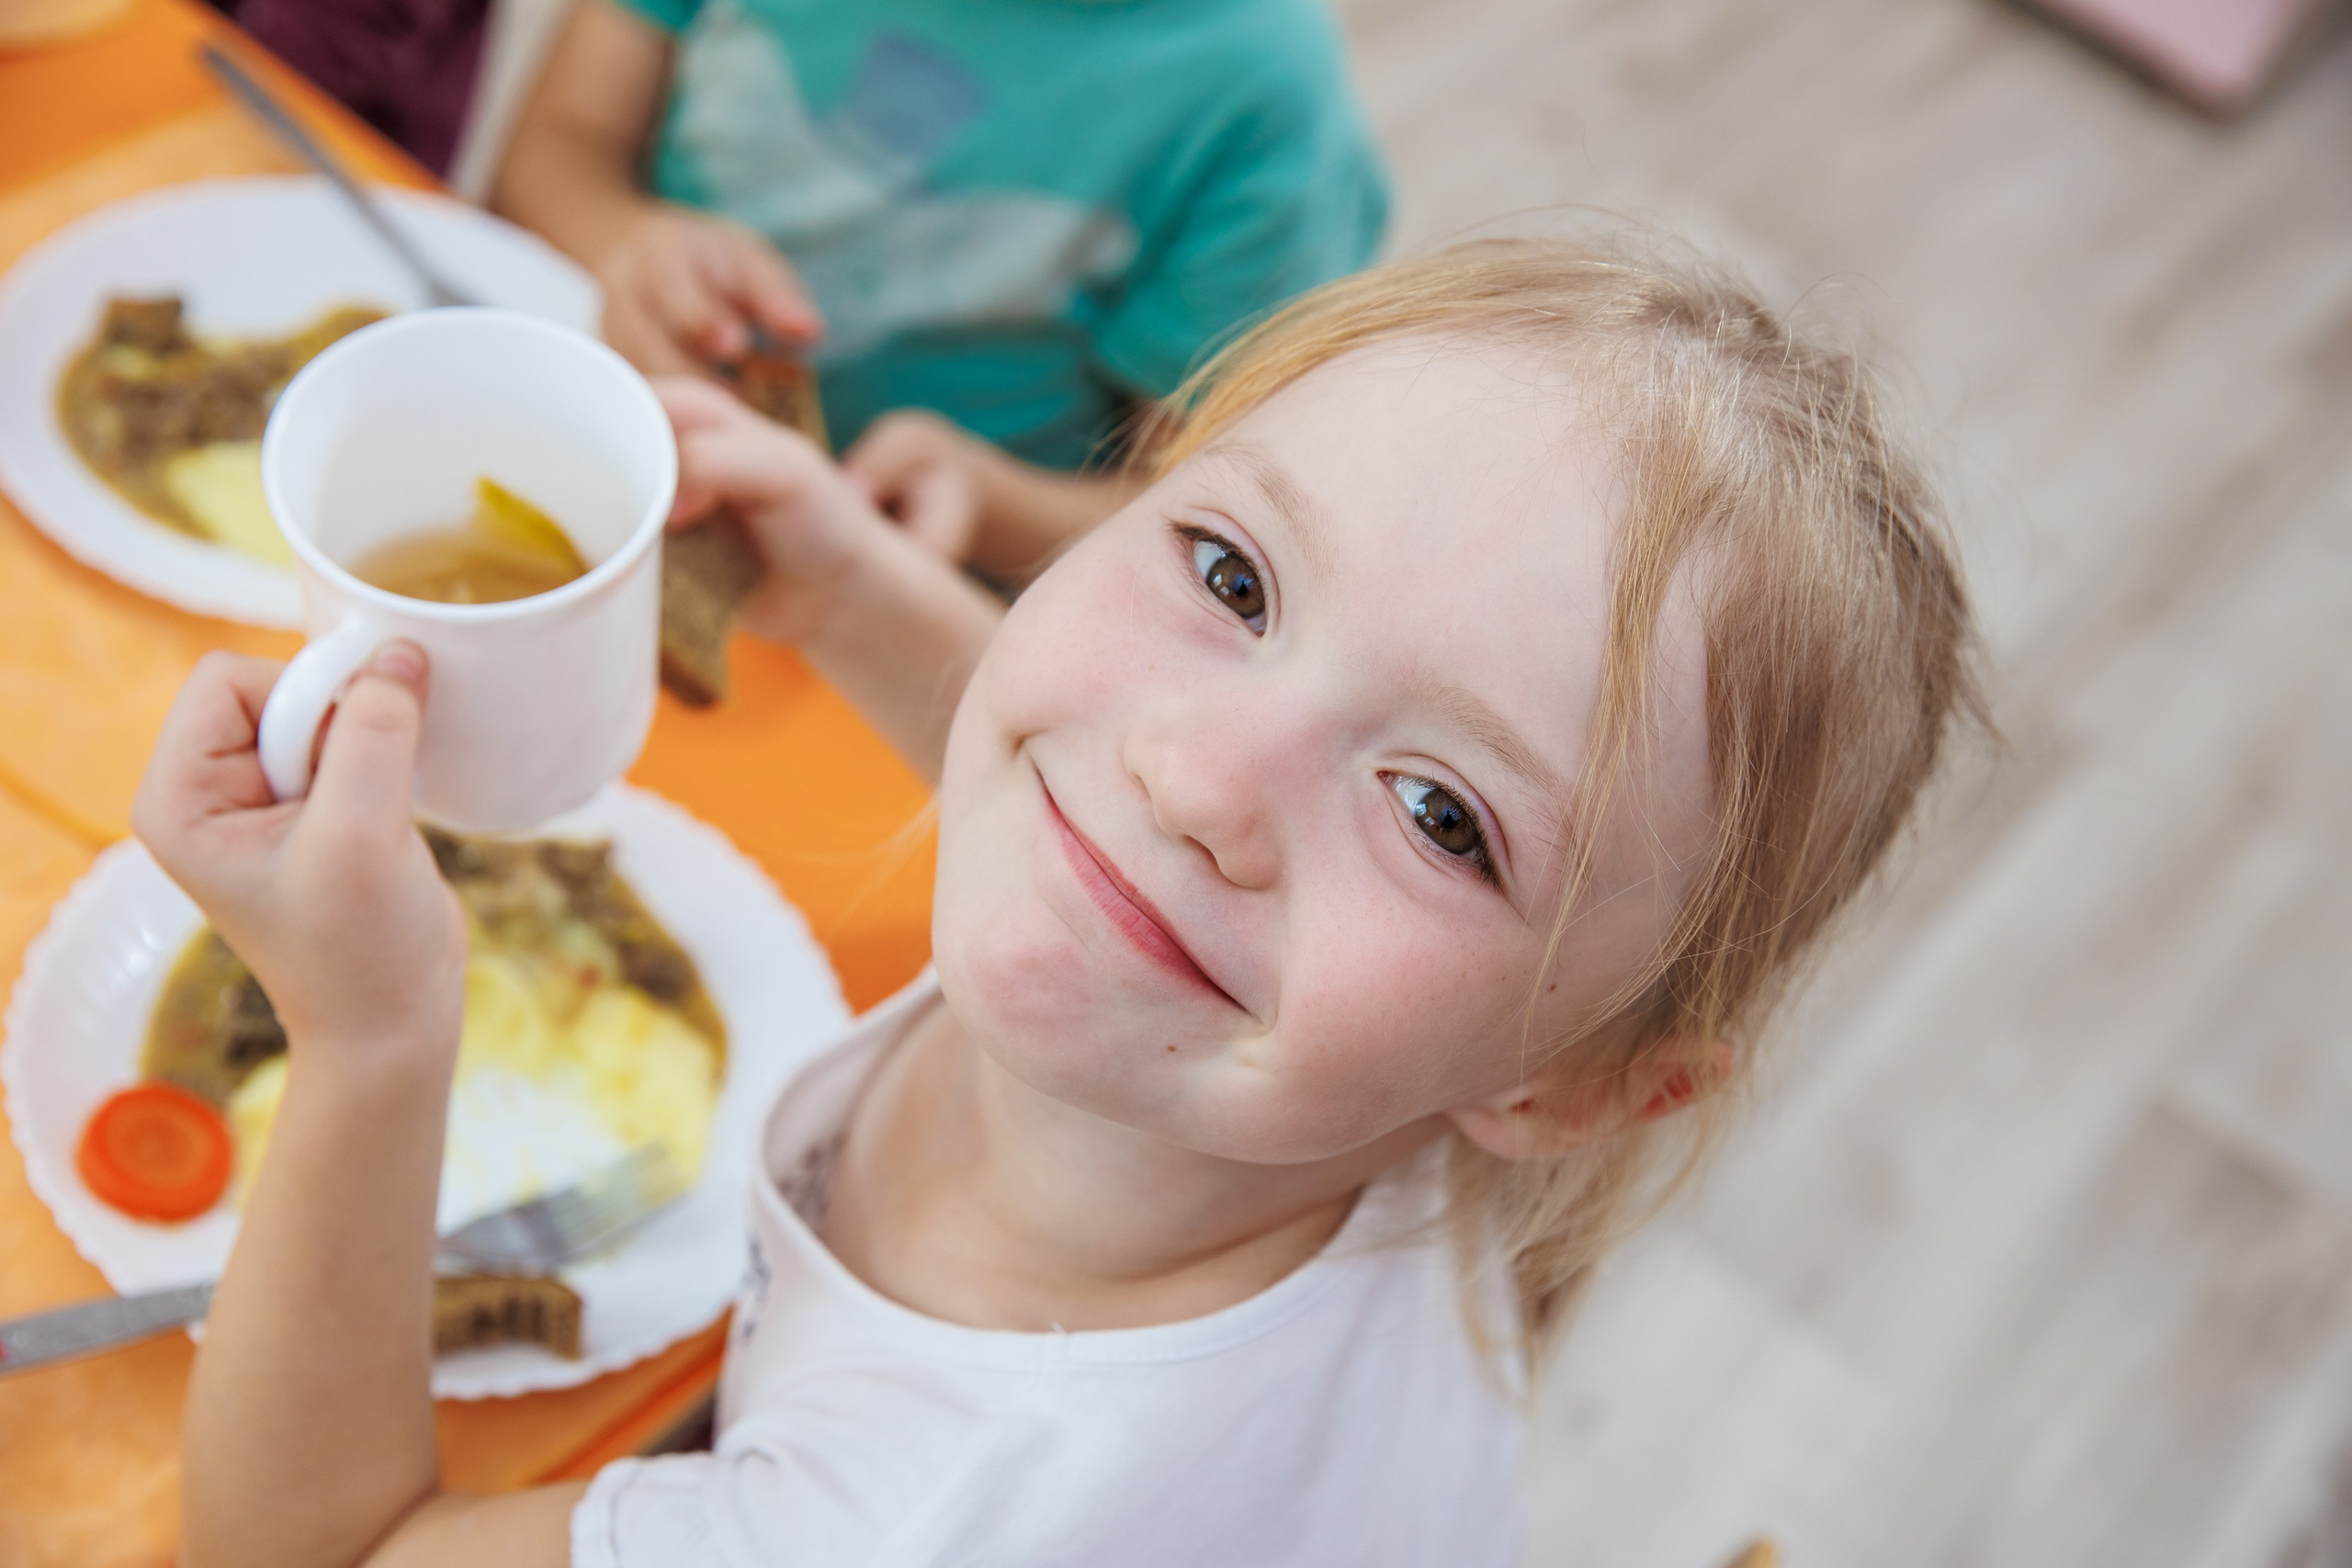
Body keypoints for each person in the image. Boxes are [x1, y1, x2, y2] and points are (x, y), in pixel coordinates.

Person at [138, 231, 1980, 1568]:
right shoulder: (1392, 1087)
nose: (1190, 772)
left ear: (1579, 1078)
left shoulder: (937, 1517)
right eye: (1234, 574)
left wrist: (374, 1039)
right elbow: (1122, 809)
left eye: (1438, 813)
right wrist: (854, 591)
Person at [492, 0, 1388, 585]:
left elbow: (1209, 516)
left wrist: (981, 499)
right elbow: (550, 153)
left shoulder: (1263, 99)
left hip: (912, 605)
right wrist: (624, 241)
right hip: (572, 449)